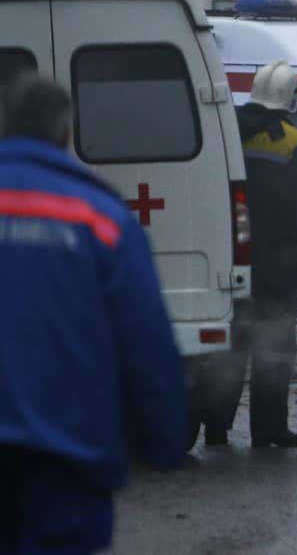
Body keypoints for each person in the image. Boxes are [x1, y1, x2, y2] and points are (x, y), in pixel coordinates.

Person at [0, 76, 186, 554]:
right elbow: (146, 341)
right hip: (67, 458)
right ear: (65, 133)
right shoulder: (101, 218)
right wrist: (163, 439)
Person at [218, 60, 297, 448]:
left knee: (231, 347)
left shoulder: (228, 132)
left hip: (232, 257)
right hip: (280, 265)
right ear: (292, 97)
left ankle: (215, 425)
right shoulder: (293, 142)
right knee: (274, 348)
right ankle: (268, 428)